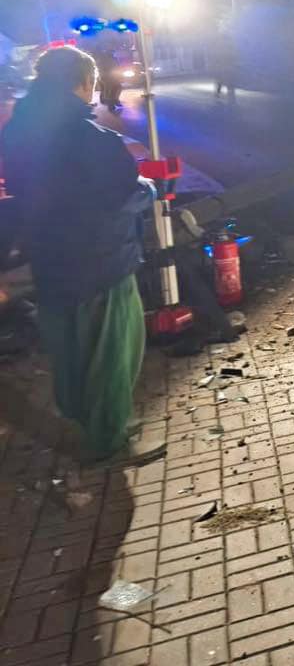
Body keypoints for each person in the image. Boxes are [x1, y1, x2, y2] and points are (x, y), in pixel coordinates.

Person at [0, 46, 161, 464]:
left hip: (51, 260)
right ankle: (109, 438)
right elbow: (124, 196)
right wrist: (148, 189)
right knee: (113, 353)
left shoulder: (16, 133)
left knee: (69, 349)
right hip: (101, 261)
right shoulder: (93, 140)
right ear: (82, 82)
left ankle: (82, 419)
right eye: (91, 83)